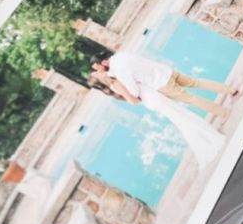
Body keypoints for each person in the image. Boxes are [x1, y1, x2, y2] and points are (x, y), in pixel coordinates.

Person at [88, 73, 224, 169]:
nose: (98, 72)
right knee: (184, 119)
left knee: (183, 118)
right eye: (96, 74)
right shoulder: (116, 83)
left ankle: (206, 137)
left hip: (153, 99)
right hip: (153, 98)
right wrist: (138, 94)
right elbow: (133, 100)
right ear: (99, 79)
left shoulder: (114, 83)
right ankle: (207, 140)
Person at [90, 50, 235, 120]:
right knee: (195, 82)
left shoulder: (119, 70)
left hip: (161, 83)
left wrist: (134, 96)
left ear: (104, 62)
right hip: (165, 71)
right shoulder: (122, 55)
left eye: (97, 67)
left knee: (191, 99)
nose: (98, 71)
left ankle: (224, 113)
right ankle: (230, 90)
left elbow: (132, 89)